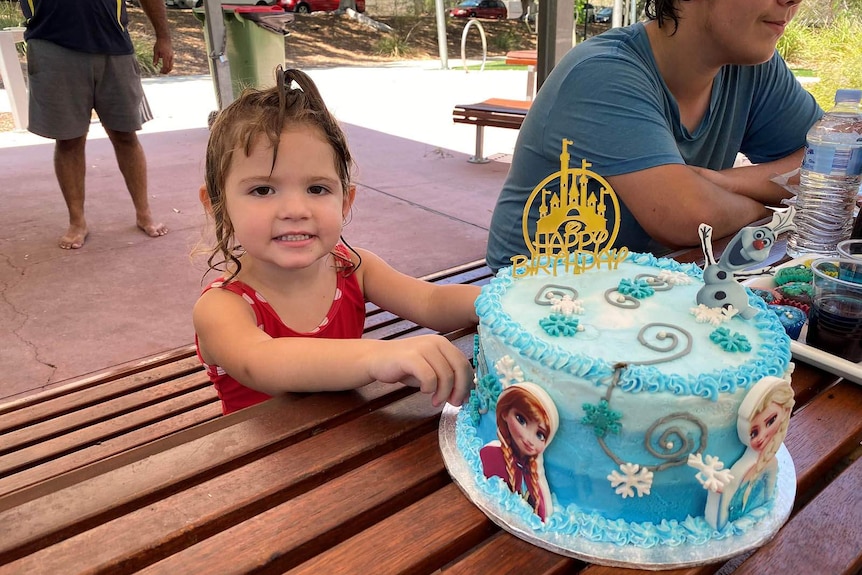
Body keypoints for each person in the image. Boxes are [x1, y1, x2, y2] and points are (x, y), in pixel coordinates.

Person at [193, 68, 480, 415]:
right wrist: (379, 355)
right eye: (262, 190)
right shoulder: (222, 307)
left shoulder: (355, 268)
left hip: (350, 437)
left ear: (345, 201)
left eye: (317, 189)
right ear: (218, 207)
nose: (295, 210)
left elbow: (431, 300)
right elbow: (263, 362)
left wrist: (500, 303)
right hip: (260, 459)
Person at [486, 0, 823, 272]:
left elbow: (833, 165)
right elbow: (687, 218)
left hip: (653, 283)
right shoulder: (603, 72)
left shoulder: (753, 69)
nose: (793, 1)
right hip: (540, 298)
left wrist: (722, 182)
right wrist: (765, 210)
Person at [18, 0, 173, 249]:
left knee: (126, 135)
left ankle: (144, 214)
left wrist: (163, 37)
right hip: (52, 45)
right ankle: (77, 222)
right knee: (68, 139)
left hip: (114, 46)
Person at [706, 376, 794, 529]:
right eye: (753, 433)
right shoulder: (740, 471)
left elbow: (767, 500)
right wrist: (716, 495)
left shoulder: (769, 465)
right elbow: (719, 522)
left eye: (771, 421)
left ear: (785, 411)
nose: (762, 437)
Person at [479, 382, 559, 521]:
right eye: (521, 420)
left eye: (540, 435)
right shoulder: (490, 455)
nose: (528, 439)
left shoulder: (535, 481)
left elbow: (541, 516)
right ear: (504, 413)